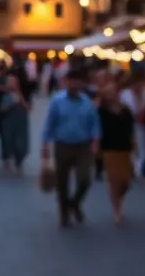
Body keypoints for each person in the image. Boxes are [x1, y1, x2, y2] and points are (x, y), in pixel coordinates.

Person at [40, 69, 101, 227]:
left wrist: (95, 142)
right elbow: (50, 124)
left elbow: (95, 124)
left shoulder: (87, 103)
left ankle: (74, 202)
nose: (74, 84)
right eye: (71, 81)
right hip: (62, 145)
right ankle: (64, 212)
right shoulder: (57, 101)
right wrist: (45, 144)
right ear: (66, 82)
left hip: (83, 146)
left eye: (77, 81)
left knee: (85, 178)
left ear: (81, 84)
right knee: (62, 181)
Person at [97, 80, 136, 225]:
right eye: (108, 93)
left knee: (126, 181)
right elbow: (97, 129)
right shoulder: (101, 111)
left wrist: (134, 144)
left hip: (124, 149)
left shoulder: (126, 110)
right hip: (109, 149)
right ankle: (117, 210)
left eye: (113, 92)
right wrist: (97, 146)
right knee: (114, 180)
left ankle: (118, 198)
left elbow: (131, 129)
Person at [119, 72, 145, 176]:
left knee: (143, 146)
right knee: (133, 146)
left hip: (144, 126)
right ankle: (134, 167)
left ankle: (143, 167)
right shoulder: (125, 94)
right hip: (130, 125)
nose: (138, 86)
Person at [0, 74, 31, 173]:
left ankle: (19, 161)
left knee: (20, 143)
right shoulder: (4, 95)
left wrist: (21, 100)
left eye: (14, 82)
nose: (12, 84)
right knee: (9, 141)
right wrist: (9, 104)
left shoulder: (22, 94)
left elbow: (28, 107)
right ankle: (8, 158)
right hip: (9, 122)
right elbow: (2, 108)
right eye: (9, 82)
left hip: (20, 123)